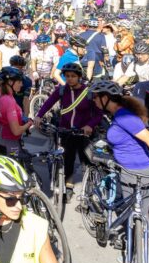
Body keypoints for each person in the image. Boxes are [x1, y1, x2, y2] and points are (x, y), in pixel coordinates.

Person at [88, 80, 149, 188]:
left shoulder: (124, 116)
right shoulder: (117, 114)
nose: (93, 100)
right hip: (130, 170)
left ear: (105, 98)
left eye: (95, 96)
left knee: (138, 205)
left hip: (137, 172)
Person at [34, 61, 101, 195]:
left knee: (86, 162)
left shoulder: (88, 93)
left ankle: (90, 190)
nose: (70, 79)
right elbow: (48, 102)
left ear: (79, 77)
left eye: (73, 76)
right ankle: (68, 187)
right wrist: (39, 115)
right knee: (68, 160)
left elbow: (99, 114)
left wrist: (90, 125)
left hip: (83, 133)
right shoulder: (62, 90)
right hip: (65, 131)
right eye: (67, 76)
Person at [0, 67, 32, 157]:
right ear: (10, 82)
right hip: (10, 143)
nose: (21, 84)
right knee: (19, 169)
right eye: (19, 82)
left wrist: (0, 113)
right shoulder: (9, 101)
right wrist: (29, 123)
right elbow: (16, 131)